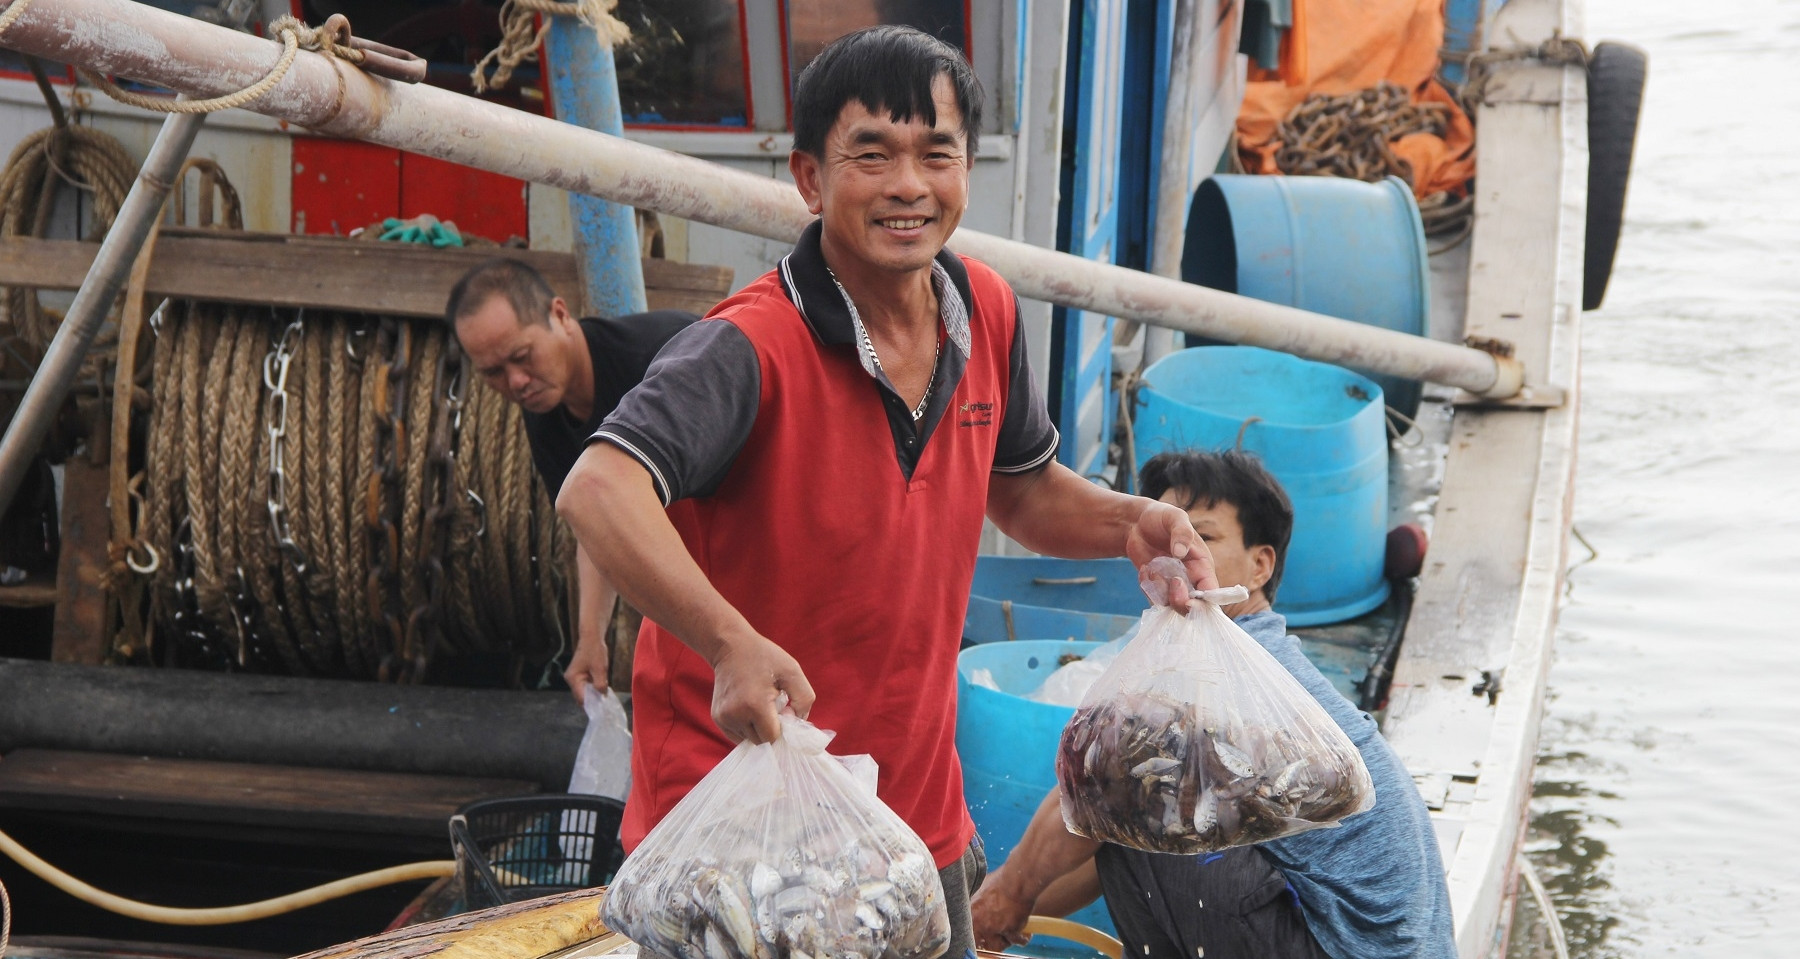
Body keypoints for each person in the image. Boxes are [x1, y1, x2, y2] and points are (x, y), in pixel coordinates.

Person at [554, 26, 1217, 959]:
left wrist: (1129, 521)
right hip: (741, 827)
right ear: (810, 180)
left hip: (911, 815)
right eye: (872, 154)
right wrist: (729, 641)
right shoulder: (746, 347)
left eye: (935, 153)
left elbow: (1021, 490)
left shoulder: (982, 308)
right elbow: (599, 488)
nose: (909, 184)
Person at [970, 450, 1458, 959]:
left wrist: (1009, 894)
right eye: (1165, 543)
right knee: (1136, 814)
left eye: (1203, 538)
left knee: (1121, 777)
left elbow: (1101, 796)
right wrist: (996, 915)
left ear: (1260, 564)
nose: (1178, 561)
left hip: (1342, 944)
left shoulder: (1227, 675)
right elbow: (1107, 844)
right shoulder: (1263, 659)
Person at [445, 258, 697, 701]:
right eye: (493, 373)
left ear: (560, 315)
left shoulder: (659, 361)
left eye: (523, 357)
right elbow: (596, 522)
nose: (517, 382)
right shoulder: (545, 414)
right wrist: (589, 640)